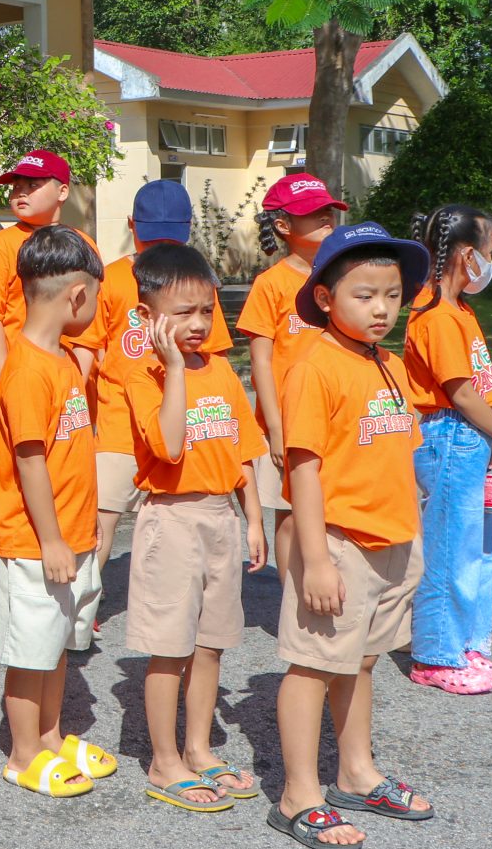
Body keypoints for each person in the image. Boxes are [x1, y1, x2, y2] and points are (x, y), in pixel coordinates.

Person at [270, 222, 436, 849]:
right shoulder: (316, 366)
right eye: (364, 295)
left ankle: (356, 770)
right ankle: (298, 794)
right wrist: (314, 559)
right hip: (338, 544)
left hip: (394, 542)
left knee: (363, 662)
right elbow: (304, 469)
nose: (381, 309)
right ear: (325, 298)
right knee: (313, 665)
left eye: (392, 295)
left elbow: (395, 453)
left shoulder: (389, 364)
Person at [121, 243, 266, 813]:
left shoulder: (224, 371)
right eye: (182, 313)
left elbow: (245, 451)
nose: (199, 324)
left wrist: (252, 519)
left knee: (211, 647)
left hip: (220, 520)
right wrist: (176, 369)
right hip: (172, 519)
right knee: (168, 649)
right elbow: (172, 443)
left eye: (206, 310)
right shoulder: (144, 376)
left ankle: (199, 748)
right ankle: (164, 760)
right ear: (146, 318)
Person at [0, 225, 112, 798]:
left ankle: (52, 736)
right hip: (39, 543)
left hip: (73, 535)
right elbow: (30, 461)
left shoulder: (62, 360)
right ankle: (22, 753)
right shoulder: (25, 369)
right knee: (29, 653)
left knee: (59, 645)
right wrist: (53, 540)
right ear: (78, 297)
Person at [88, 179, 237, 625]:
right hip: (118, 422)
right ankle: (82, 612)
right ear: (132, 226)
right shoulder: (112, 277)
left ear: (189, 230)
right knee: (103, 520)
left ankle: (178, 607)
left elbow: (216, 359)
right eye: (151, 237)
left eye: (171, 238)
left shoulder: (196, 283)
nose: (158, 245)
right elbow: (90, 347)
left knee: (177, 523)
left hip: (178, 421)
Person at [403, 204, 492, 695]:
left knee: (478, 548)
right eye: (488, 253)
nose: (490, 264)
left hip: (474, 438)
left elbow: (480, 385)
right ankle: (435, 653)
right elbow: (461, 391)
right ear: (467, 255)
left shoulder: (460, 311)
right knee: (450, 548)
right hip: (452, 435)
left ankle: (469, 645)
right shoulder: (435, 315)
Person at [237, 176, 345, 568]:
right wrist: (277, 431)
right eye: (312, 212)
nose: (325, 216)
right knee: (290, 515)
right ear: (284, 226)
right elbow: (261, 361)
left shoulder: (340, 277)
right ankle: (291, 608)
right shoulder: (271, 284)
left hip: (335, 418)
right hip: (288, 423)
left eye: (327, 208)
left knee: (329, 509)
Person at [0, 150, 104, 382]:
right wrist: (6, 377)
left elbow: (91, 325)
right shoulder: (0, 245)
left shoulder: (83, 243)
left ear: (63, 191)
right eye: (16, 186)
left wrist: (76, 386)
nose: (21, 192)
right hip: (23, 378)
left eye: (33, 184)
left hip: (71, 384)